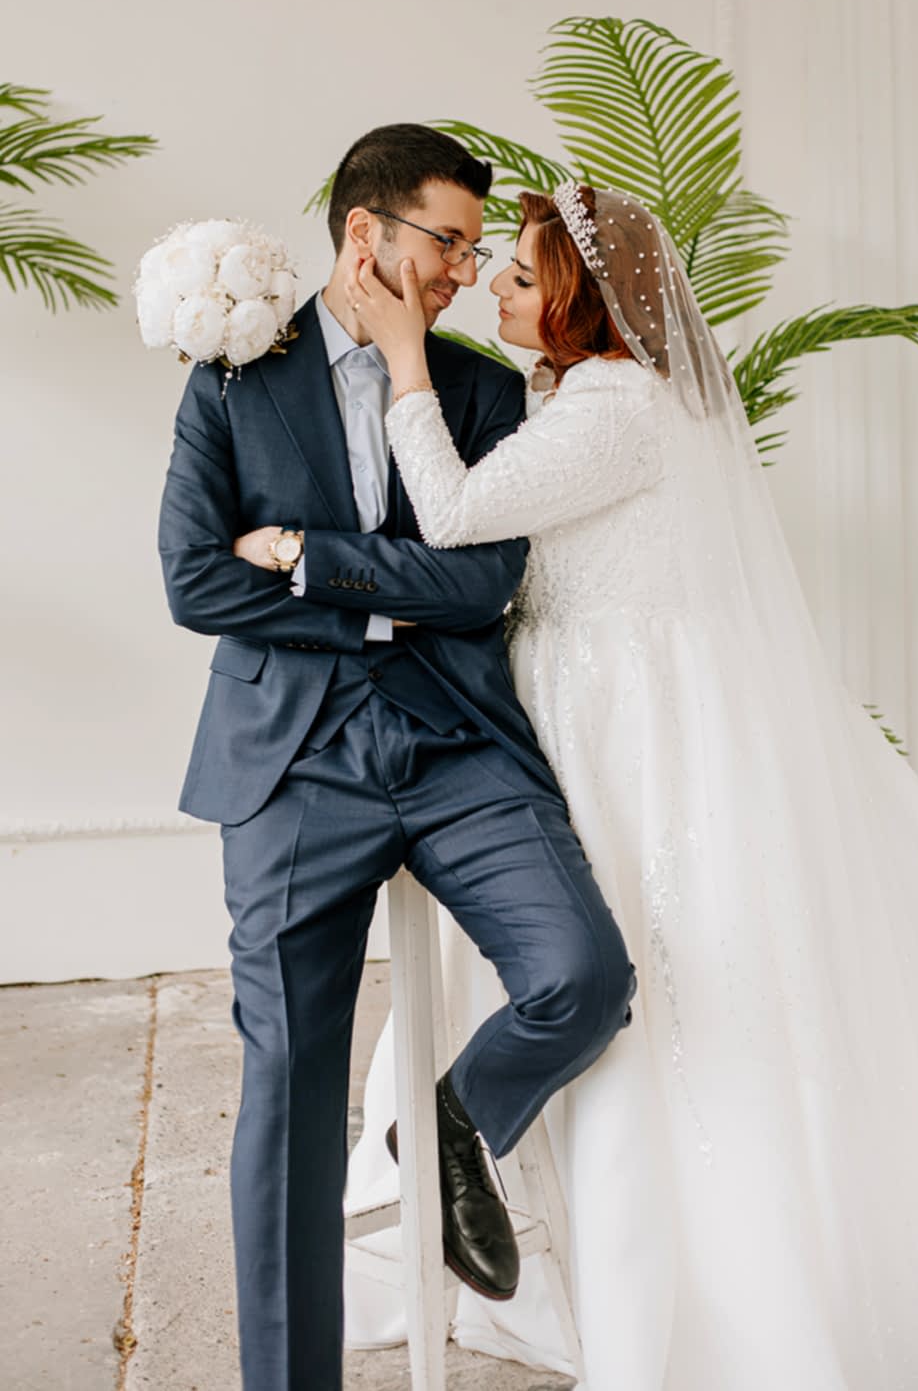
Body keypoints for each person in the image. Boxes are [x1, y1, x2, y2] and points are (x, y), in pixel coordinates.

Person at [326, 182, 918, 1391]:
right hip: (601, 697)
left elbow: (454, 512)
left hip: (627, 722)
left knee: (663, 968)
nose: (497, 286)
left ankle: (666, 1257)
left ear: (581, 297)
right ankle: (499, 1165)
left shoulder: (615, 408)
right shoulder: (588, 396)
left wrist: (406, 354)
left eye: (521, 272)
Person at [158, 129, 635, 1391]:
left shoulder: (480, 389)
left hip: (457, 744)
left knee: (583, 973)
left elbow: (483, 583)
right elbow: (195, 580)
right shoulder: (232, 379)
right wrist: (389, 601)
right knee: (289, 1075)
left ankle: (449, 1126)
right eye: (449, 242)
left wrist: (306, 557)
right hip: (292, 759)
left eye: (477, 251)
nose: (466, 272)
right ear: (365, 232)